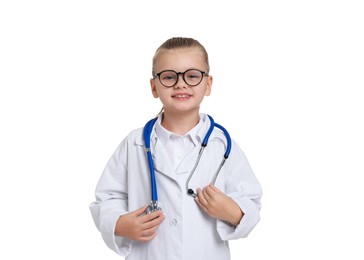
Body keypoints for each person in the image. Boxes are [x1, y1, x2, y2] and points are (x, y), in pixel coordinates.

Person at [89, 37, 262, 260]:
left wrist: (234, 212)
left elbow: (251, 201)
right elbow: (107, 197)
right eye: (169, 77)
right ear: (154, 86)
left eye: (192, 76)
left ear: (208, 84)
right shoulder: (135, 144)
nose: (181, 84)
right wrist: (120, 224)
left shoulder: (223, 146)